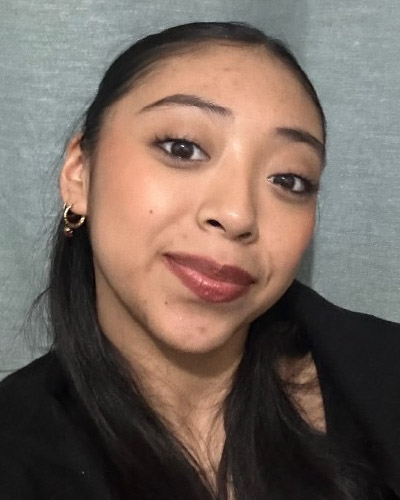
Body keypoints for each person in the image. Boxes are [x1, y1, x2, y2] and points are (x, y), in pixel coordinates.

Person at [0, 21, 399, 500]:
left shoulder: (382, 377)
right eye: (183, 148)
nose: (236, 214)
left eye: (289, 180)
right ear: (79, 174)